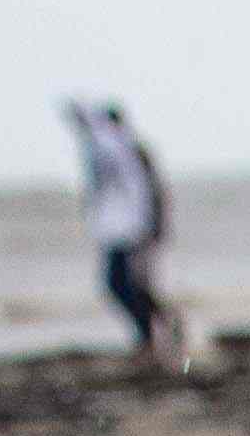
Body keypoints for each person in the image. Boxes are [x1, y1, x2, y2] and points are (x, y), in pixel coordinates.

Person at [67, 97, 178, 367]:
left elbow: (153, 192)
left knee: (126, 284)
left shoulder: (131, 152)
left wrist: (155, 227)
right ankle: (159, 331)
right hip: (121, 229)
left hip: (136, 230)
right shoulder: (116, 152)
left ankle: (154, 336)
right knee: (125, 285)